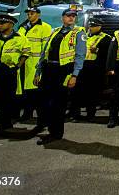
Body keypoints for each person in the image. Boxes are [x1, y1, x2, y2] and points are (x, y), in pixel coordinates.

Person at [34, 9, 86, 144]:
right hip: (49, 69)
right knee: (45, 101)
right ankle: (48, 127)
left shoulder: (78, 33)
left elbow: (80, 56)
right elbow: (44, 52)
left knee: (58, 103)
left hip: (63, 70)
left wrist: (75, 75)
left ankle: (55, 133)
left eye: (74, 16)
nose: (71, 18)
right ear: (62, 18)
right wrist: (38, 72)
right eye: (69, 16)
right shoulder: (55, 31)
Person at [70, 18, 112, 120]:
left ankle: (90, 114)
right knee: (77, 91)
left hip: (94, 69)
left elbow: (108, 54)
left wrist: (97, 50)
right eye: (90, 26)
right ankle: (75, 113)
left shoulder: (106, 38)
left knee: (92, 93)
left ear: (99, 27)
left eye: (93, 26)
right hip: (81, 66)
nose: (91, 28)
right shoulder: (84, 36)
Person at [17, 6, 53, 121]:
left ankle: (33, 115)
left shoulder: (45, 27)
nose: (29, 15)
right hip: (23, 62)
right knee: (23, 89)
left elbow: (46, 47)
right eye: (28, 13)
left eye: (32, 13)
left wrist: (42, 64)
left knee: (34, 91)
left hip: (35, 62)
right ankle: (26, 113)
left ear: (38, 14)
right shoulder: (23, 27)